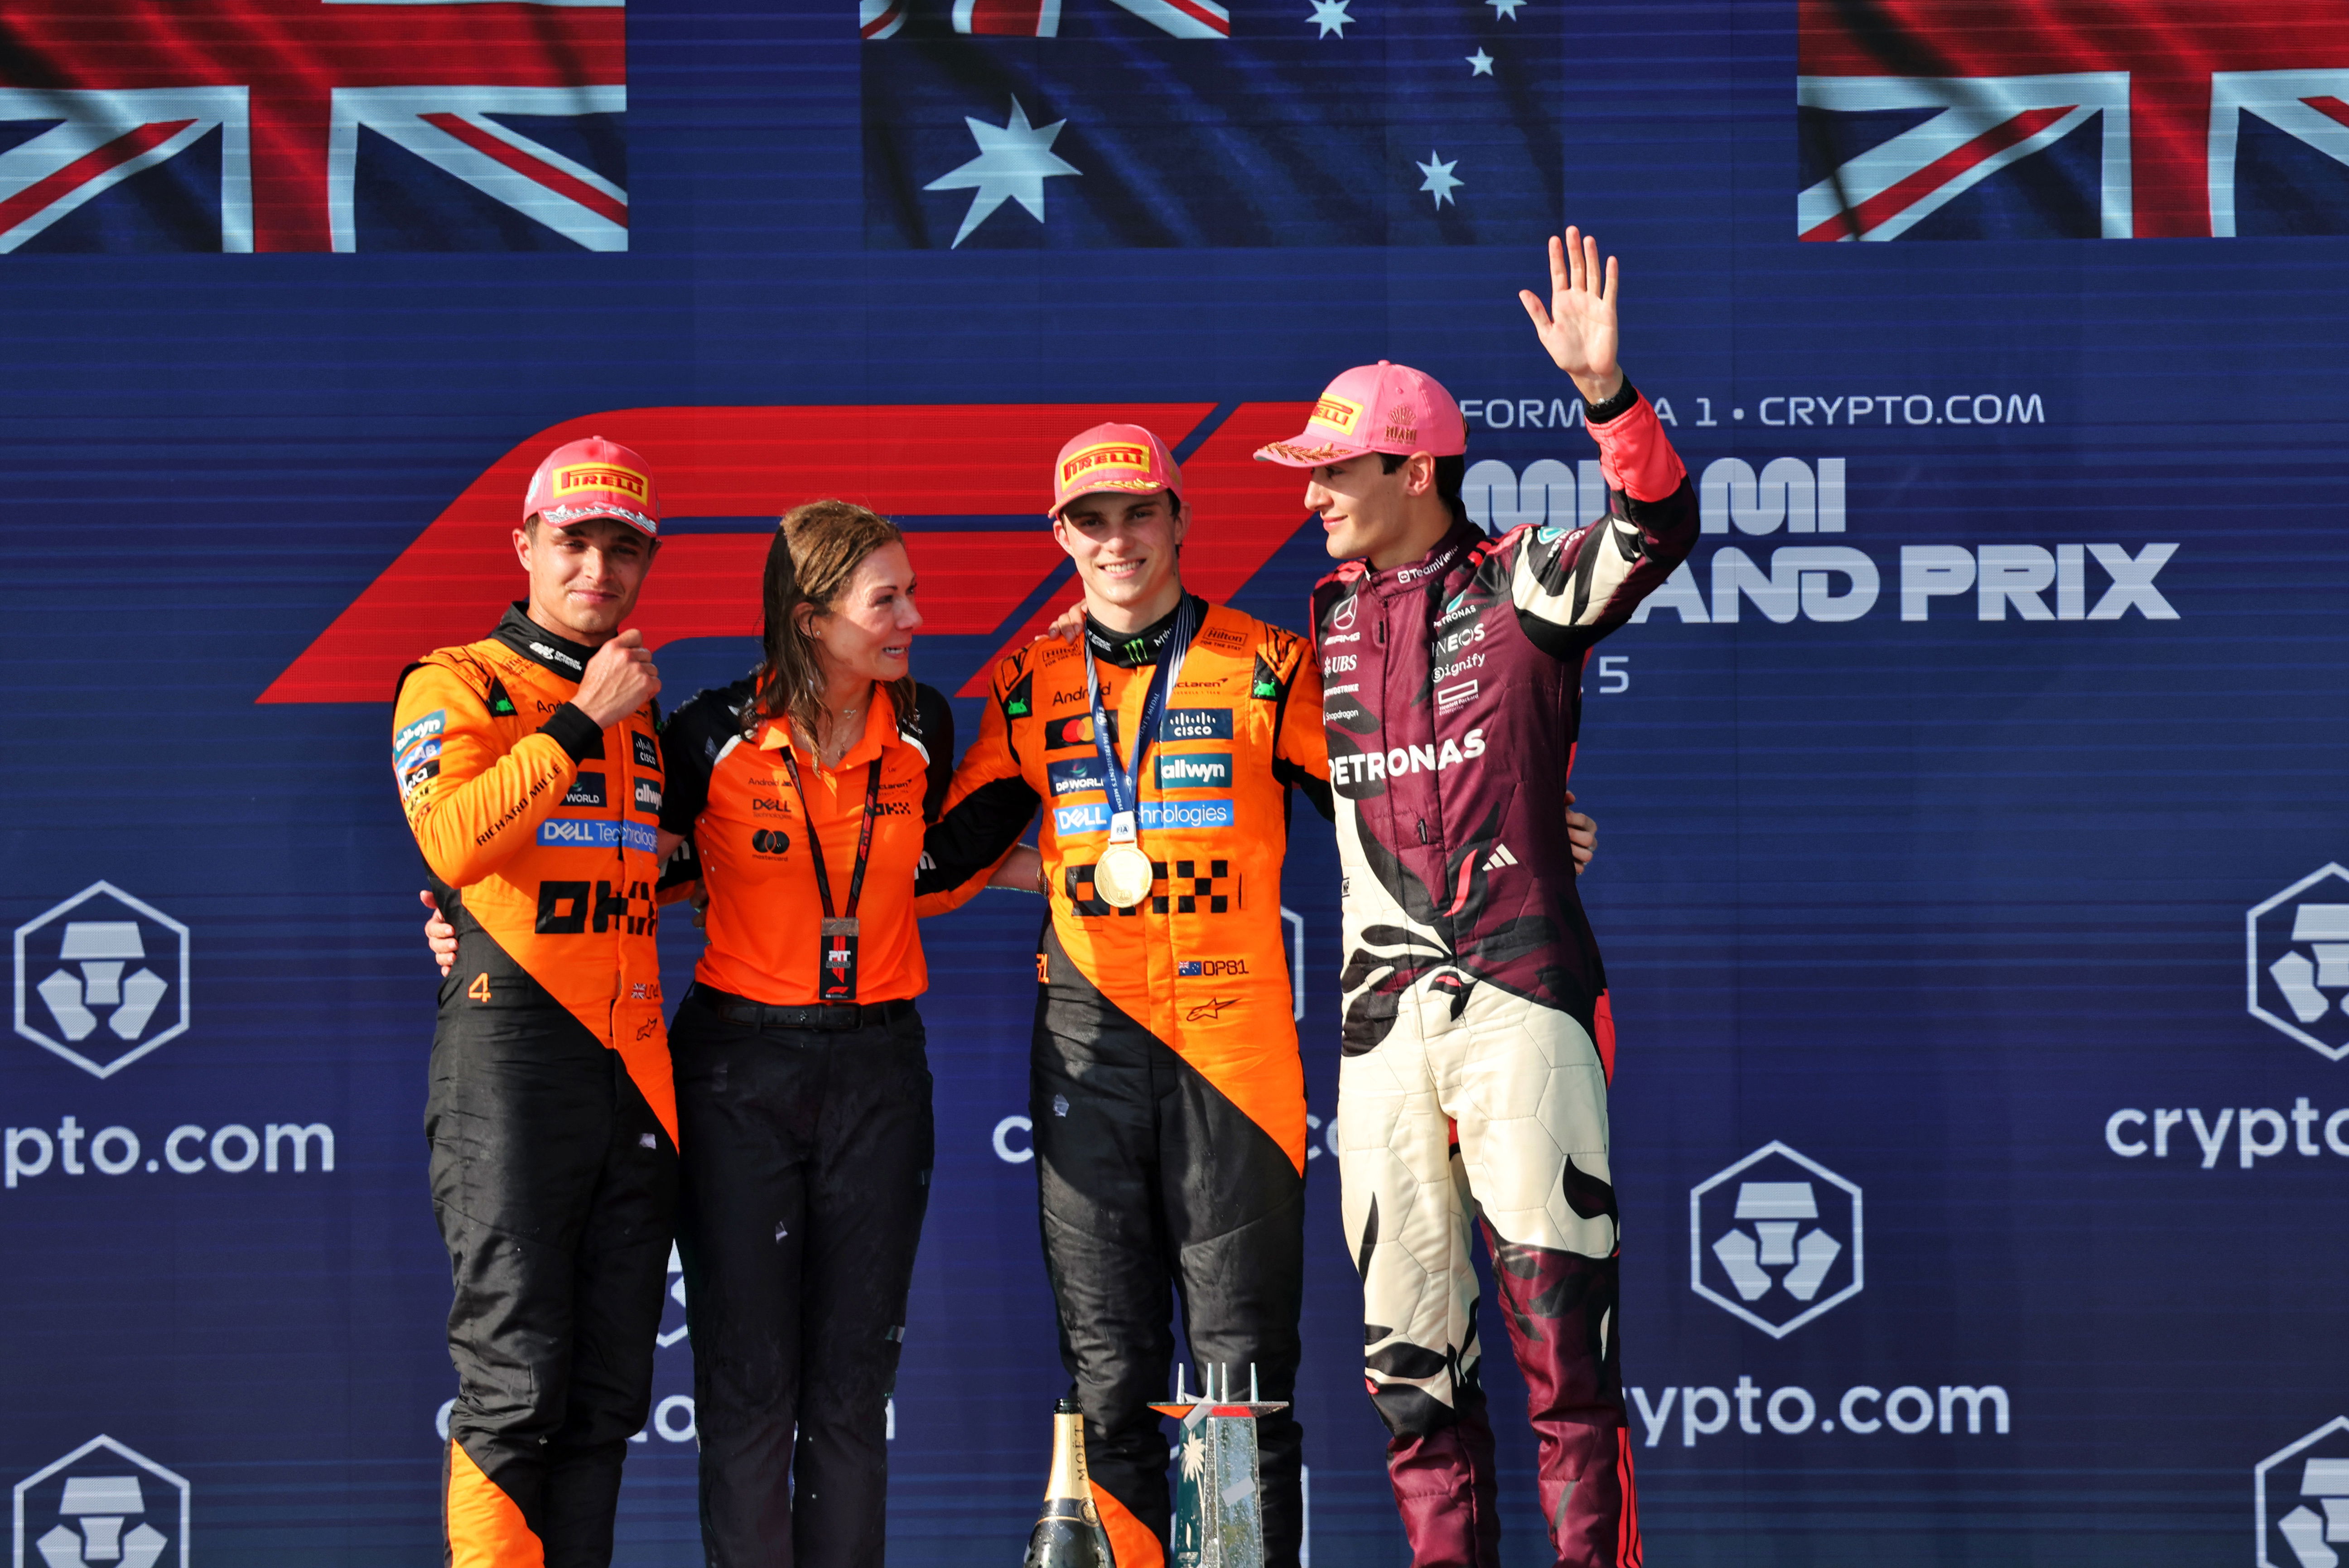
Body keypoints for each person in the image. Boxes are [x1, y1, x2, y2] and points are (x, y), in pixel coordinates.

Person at [1255, 228, 1699, 1568]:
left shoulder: (1521, 581)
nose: (1312, 494)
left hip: (1522, 1002)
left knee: (1565, 1355)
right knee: (1414, 1372)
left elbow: (1656, 528)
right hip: (1382, 1033)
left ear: (1415, 467)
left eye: (1334, 470)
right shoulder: (1318, 624)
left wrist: (1608, 398)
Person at [915, 423, 1333, 1568]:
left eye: (1137, 514)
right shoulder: (1027, 681)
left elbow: (1394, 801)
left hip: (1232, 1050)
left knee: (1242, 1379)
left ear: (1182, 521)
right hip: (1088, 1048)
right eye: (1088, 521)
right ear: (1058, 536)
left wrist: (1529, 833)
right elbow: (931, 867)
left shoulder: (1265, 664)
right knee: (1109, 1375)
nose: (1116, 541)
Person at [391, 436, 678, 1566]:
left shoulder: (643, 706)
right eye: (574, 543)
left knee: (608, 1394)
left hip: (635, 1064)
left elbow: (661, 861)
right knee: (513, 1381)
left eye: (622, 550)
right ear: (524, 547)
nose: (597, 571)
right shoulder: (456, 679)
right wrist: (580, 721)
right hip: (511, 1054)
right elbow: (456, 840)